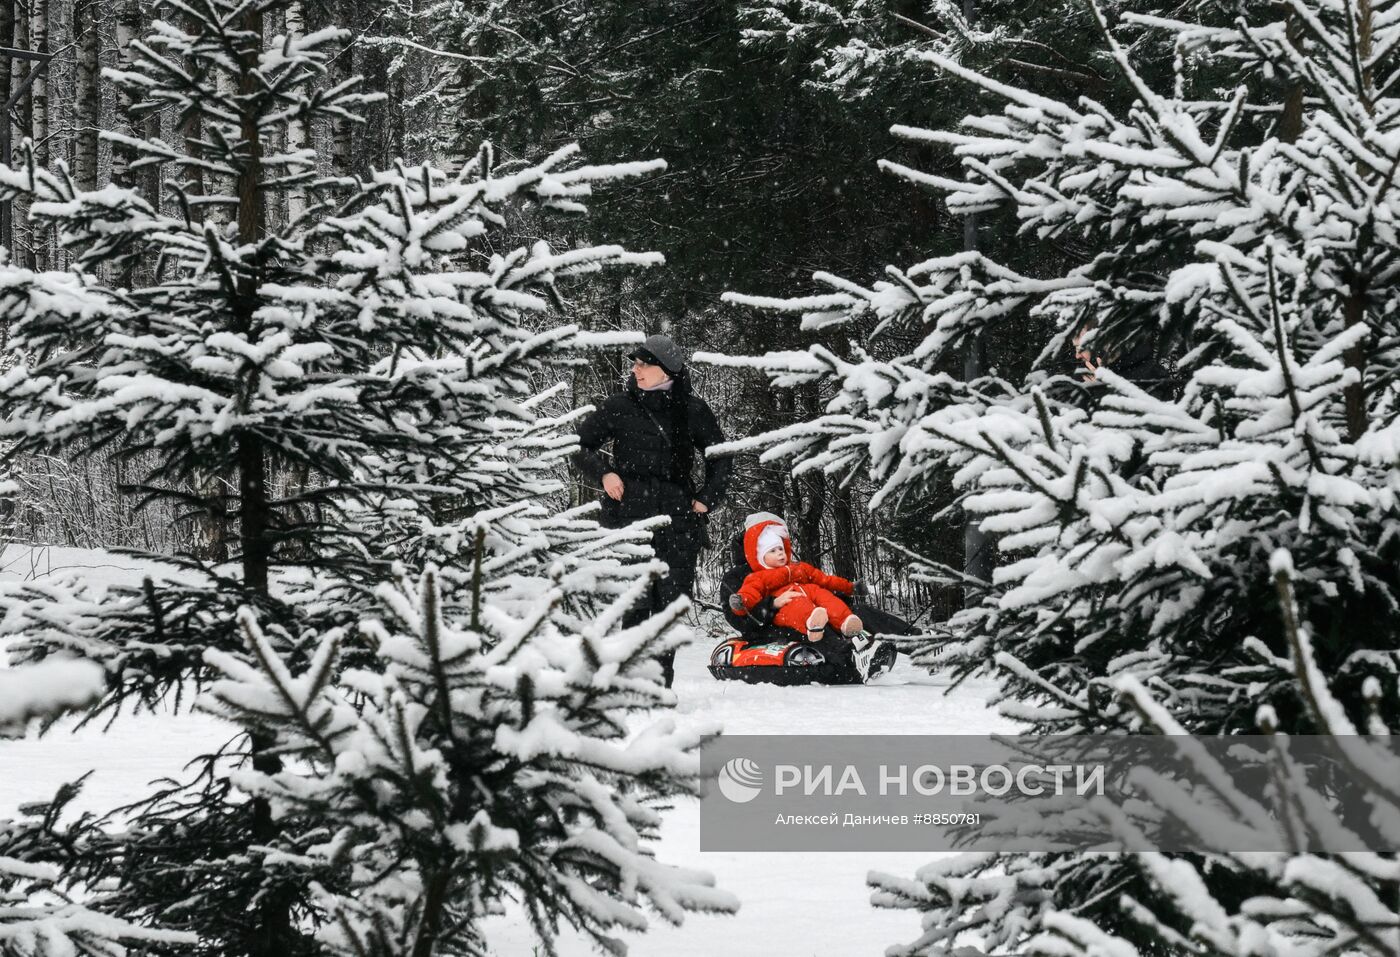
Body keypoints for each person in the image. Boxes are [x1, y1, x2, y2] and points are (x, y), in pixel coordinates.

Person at [573, 333, 733, 687]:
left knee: (669, 606)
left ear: (667, 371)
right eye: (635, 364)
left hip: (679, 520)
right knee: (636, 602)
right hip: (630, 517)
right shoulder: (619, 406)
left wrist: (706, 498)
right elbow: (579, 447)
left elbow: (721, 458)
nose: (636, 370)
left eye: (644, 364)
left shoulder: (691, 410)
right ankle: (631, 687)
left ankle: (661, 687)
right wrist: (605, 473)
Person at [727, 515, 863, 642]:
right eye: (772, 551)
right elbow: (750, 593)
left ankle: (846, 622)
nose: (779, 553)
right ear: (761, 558)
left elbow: (824, 579)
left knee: (827, 597)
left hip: (809, 591)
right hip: (784, 603)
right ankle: (812, 624)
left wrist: (850, 587)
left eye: (780, 549)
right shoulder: (758, 576)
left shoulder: (799, 567)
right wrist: (741, 602)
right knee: (796, 605)